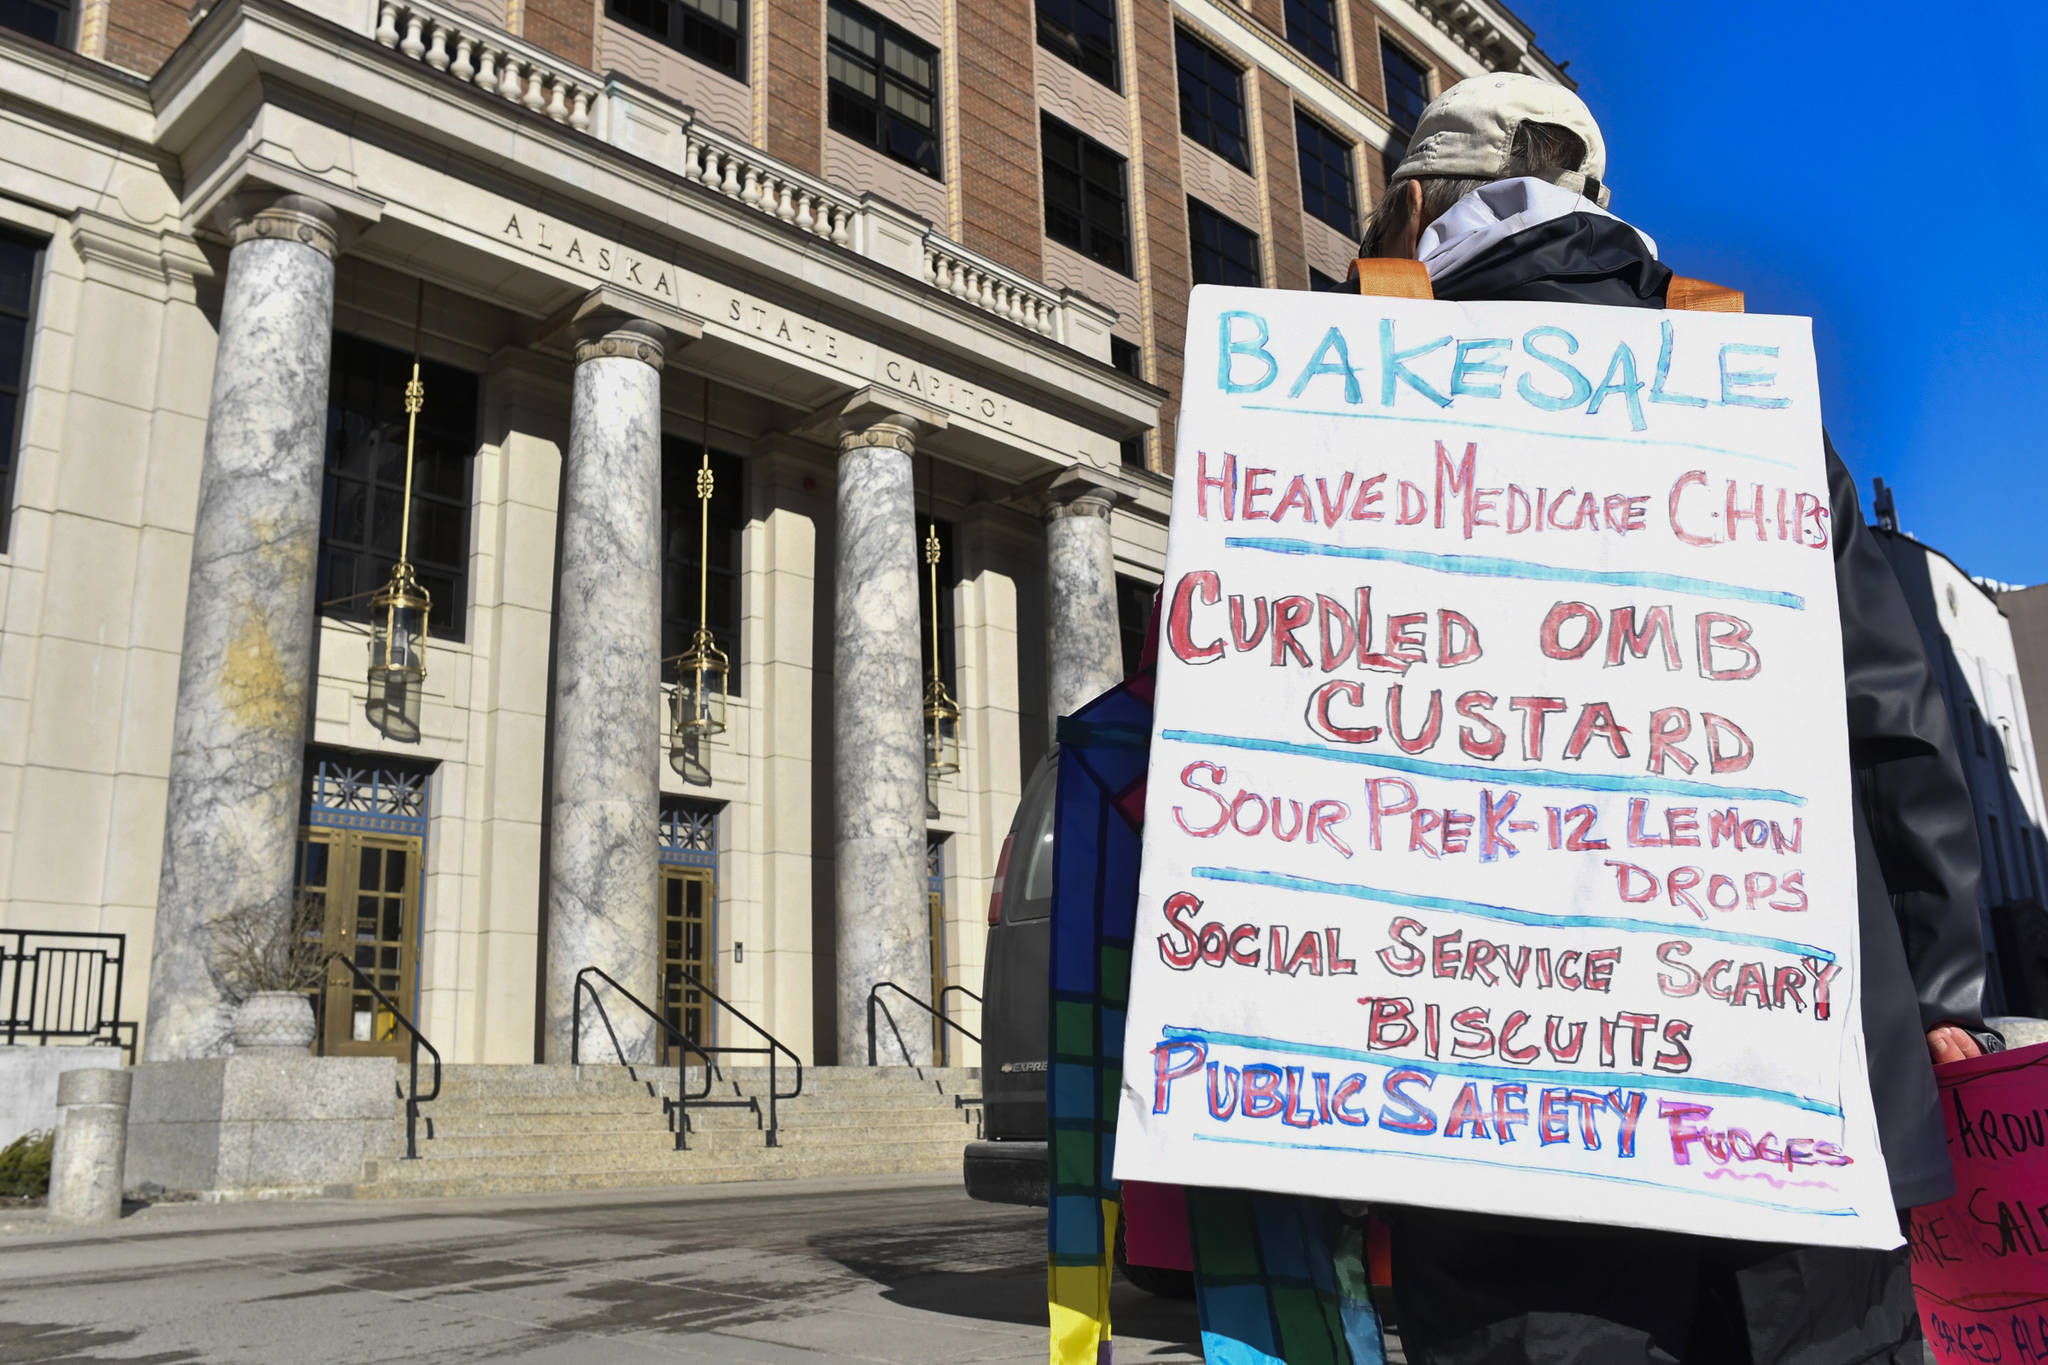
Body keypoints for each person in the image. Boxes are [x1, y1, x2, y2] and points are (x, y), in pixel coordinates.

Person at [1352, 74, 1999, 1365]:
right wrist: (1941, 987)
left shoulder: (1342, 400)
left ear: (1414, 203)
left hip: (1494, 1107)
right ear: (1595, 200)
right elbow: (1893, 716)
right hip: (1798, 1081)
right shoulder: (1736, 380)